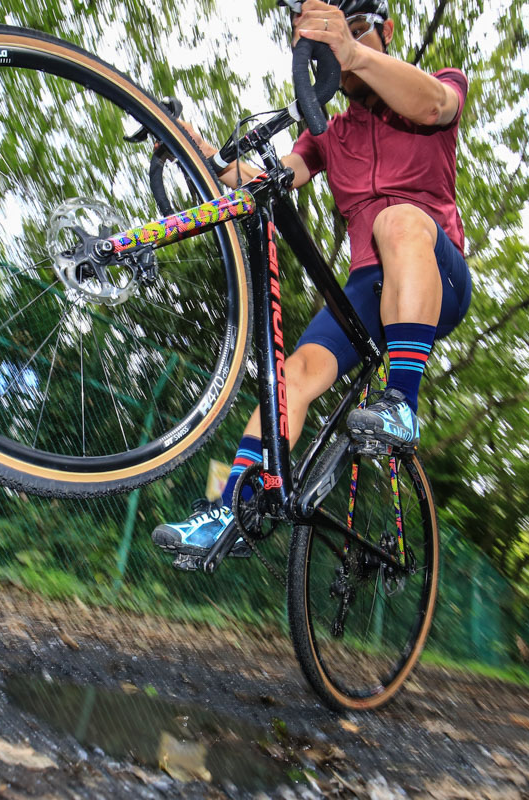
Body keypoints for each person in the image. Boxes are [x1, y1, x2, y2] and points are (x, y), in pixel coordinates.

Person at [152, 0, 471, 566]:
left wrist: (352, 52)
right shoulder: (328, 134)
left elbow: (437, 105)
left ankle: (403, 404)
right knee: (290, 375)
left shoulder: (436, 85)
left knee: (396, 220)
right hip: (367, 291)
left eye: (355, 35)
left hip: (433, 271)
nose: (342, 53)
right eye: (331, 45)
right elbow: (261, 182)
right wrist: (191, 143)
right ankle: (231, 508)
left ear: (386, 32)